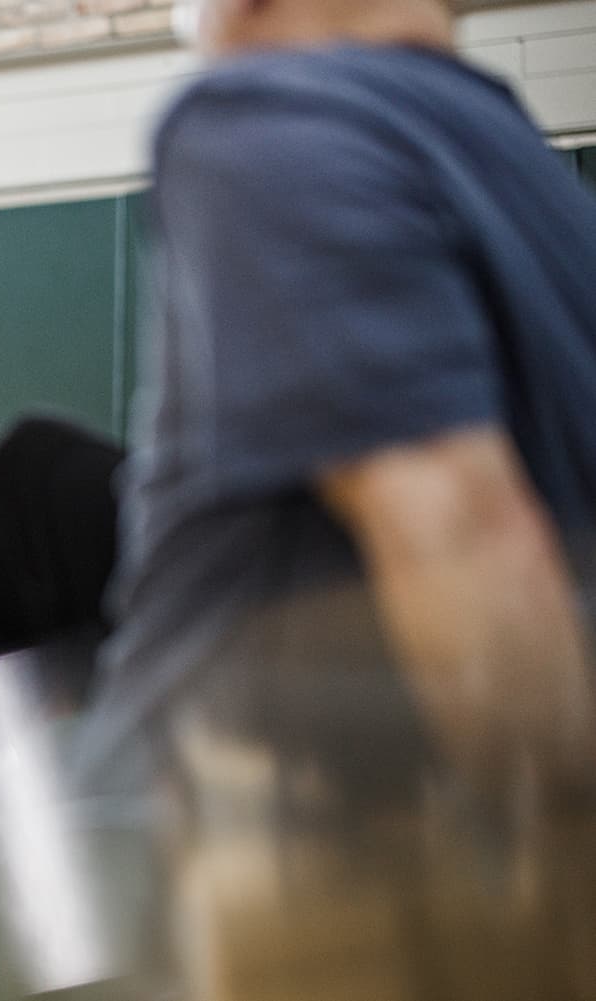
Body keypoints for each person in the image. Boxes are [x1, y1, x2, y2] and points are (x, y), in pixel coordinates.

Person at [90, 0, 596, 798]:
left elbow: (468, 544)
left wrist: (557, 882)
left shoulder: (270, 112)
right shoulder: (517, 154)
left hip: (220, 861)